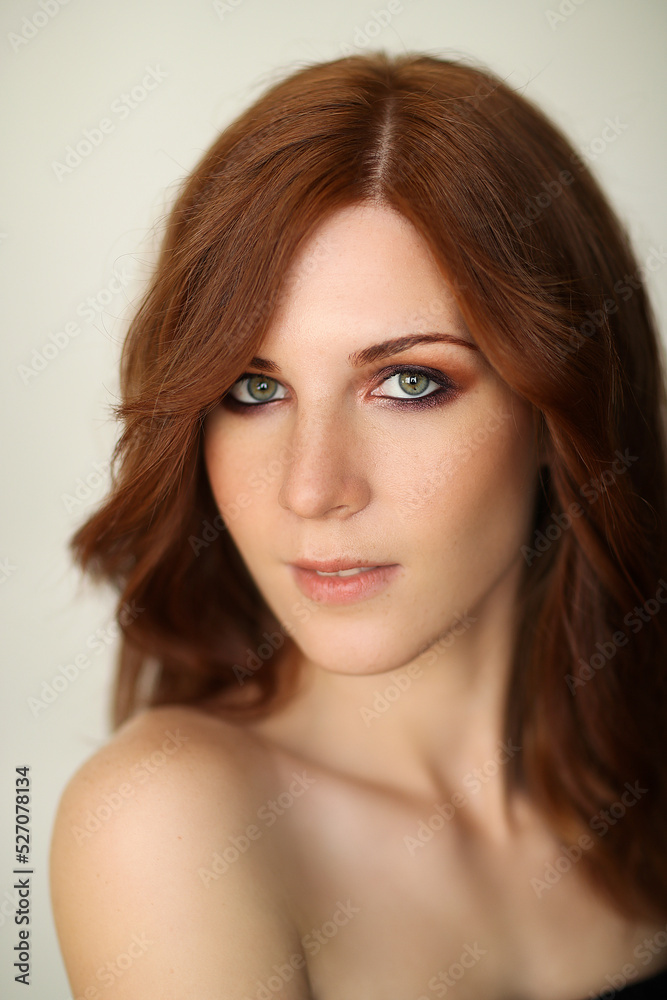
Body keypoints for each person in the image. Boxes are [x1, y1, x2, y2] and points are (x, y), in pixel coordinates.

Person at [49, 51, 667, 999]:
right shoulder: (166, 825)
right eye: (254, 389)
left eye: (408, 383)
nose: (311, 488)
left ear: (556, 412)